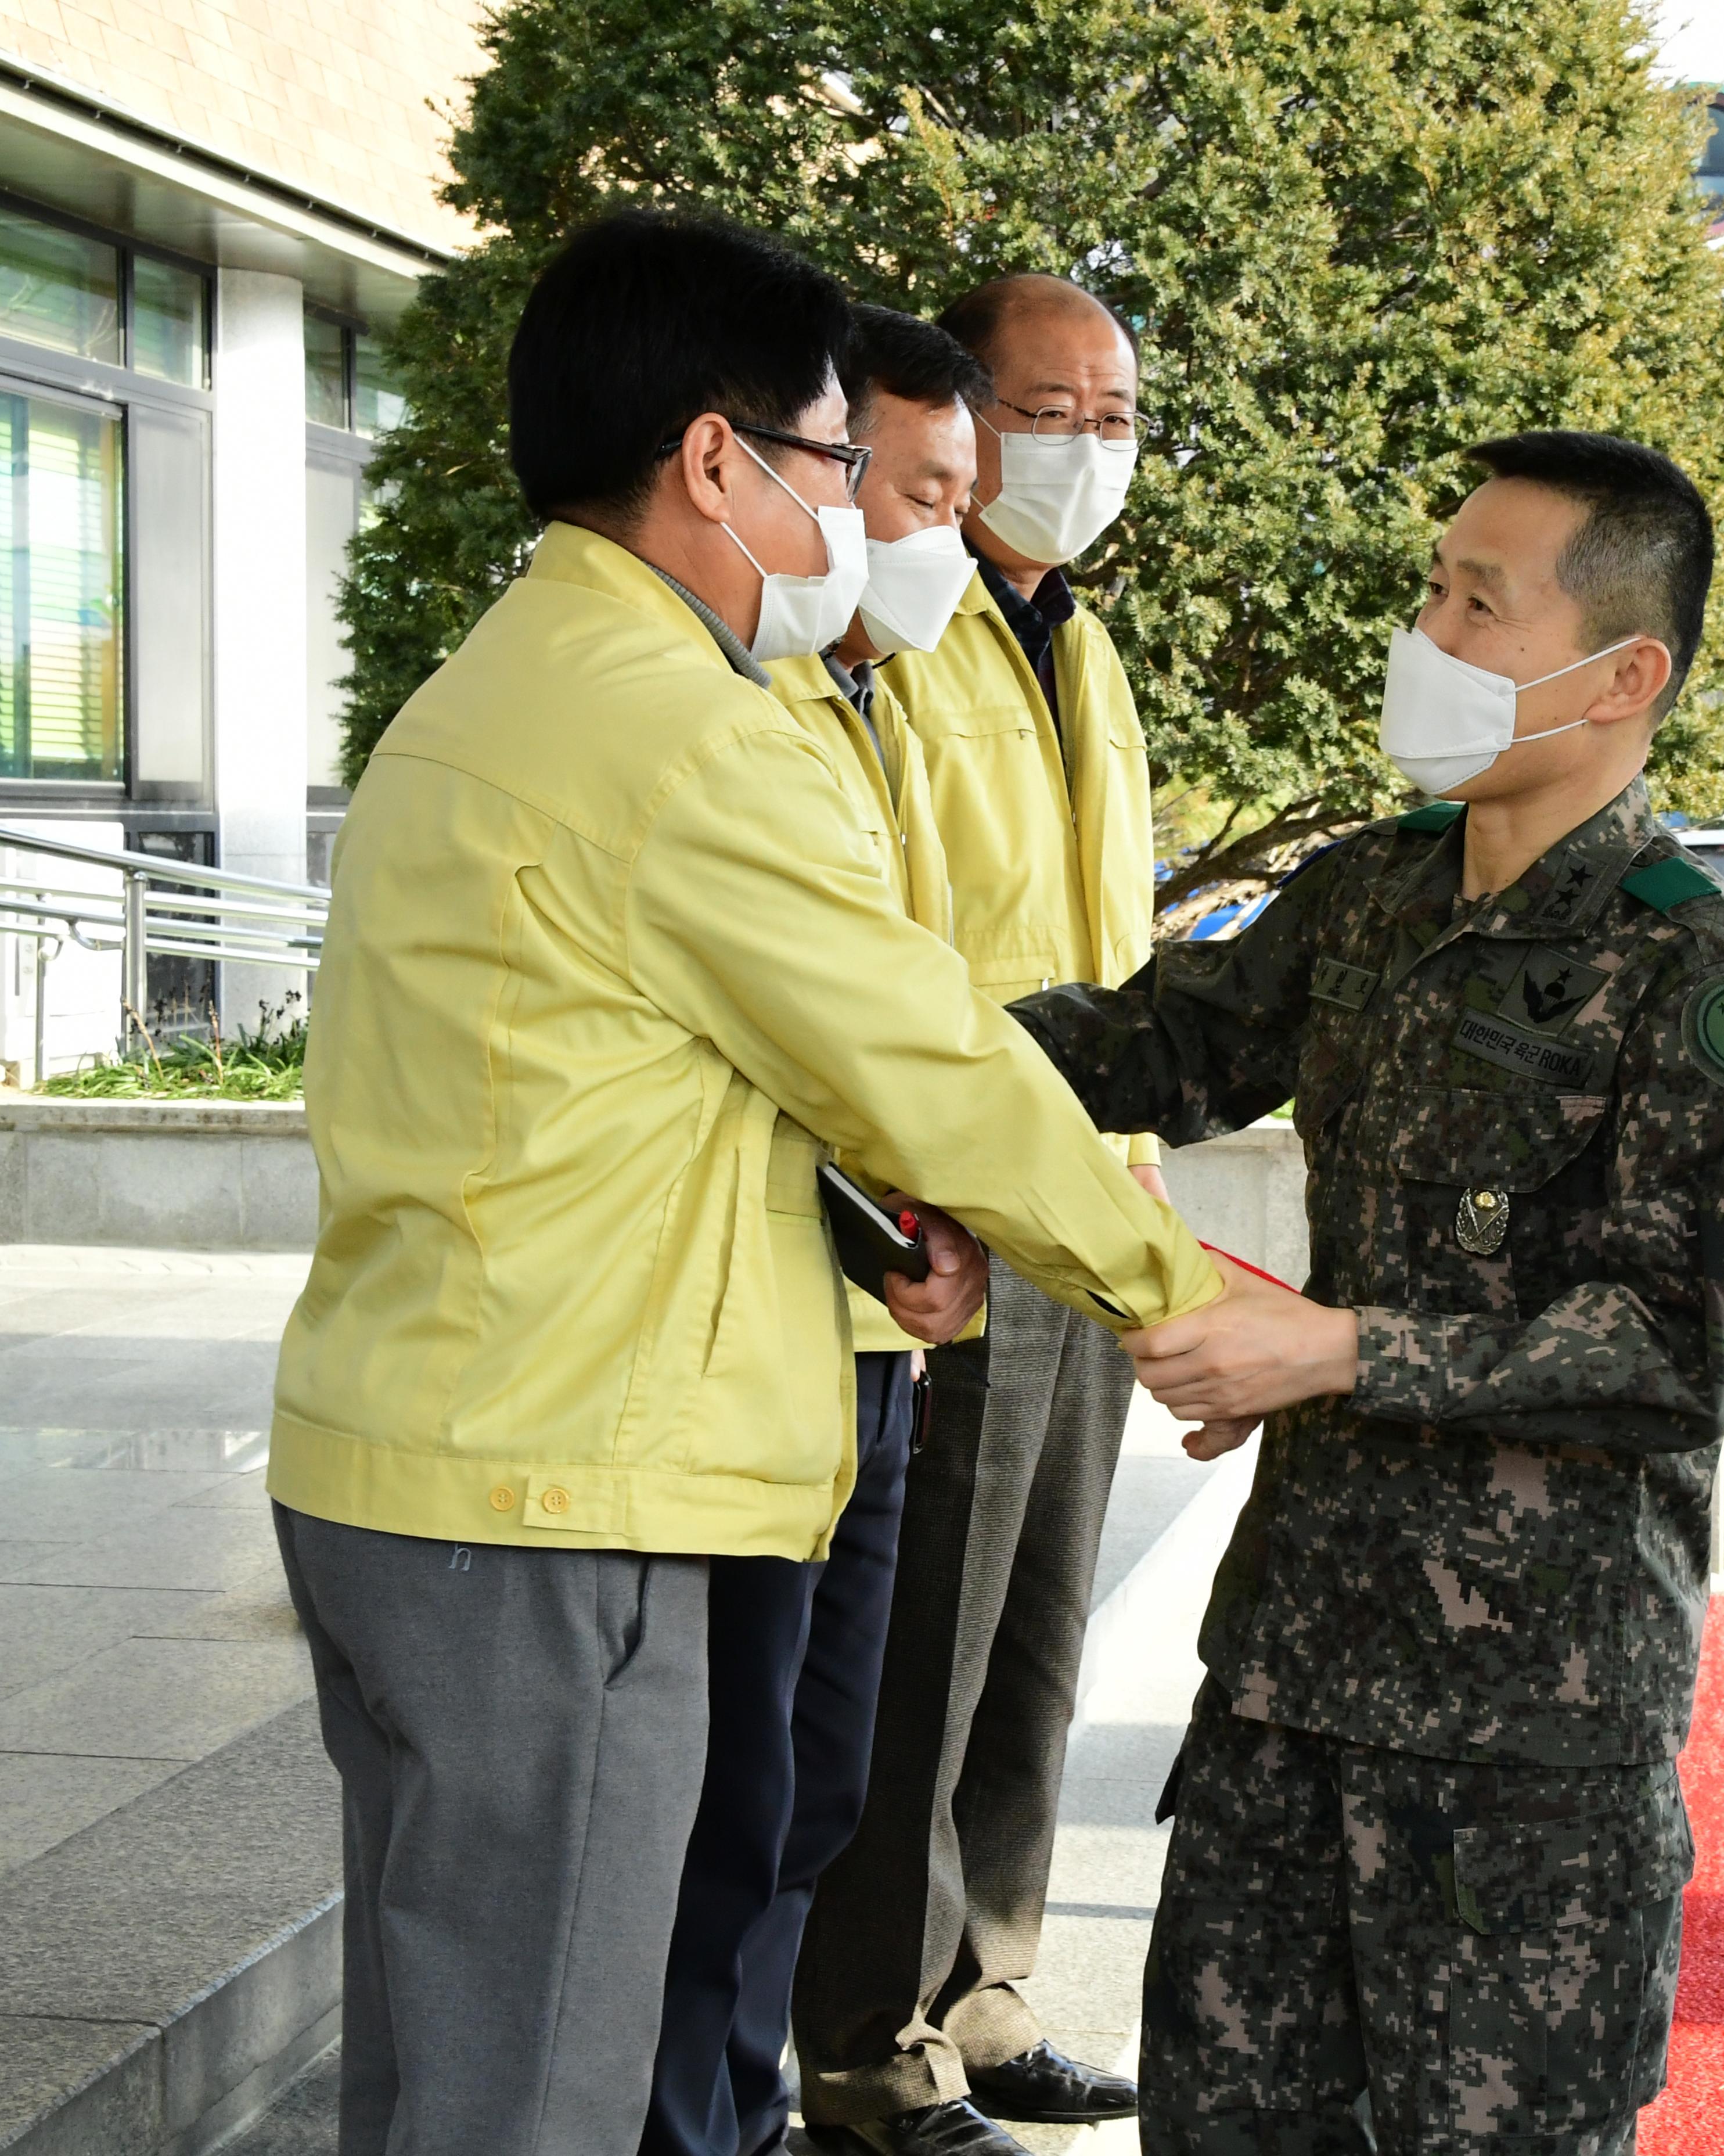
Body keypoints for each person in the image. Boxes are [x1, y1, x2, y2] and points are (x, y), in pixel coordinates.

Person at [265, 211, 1221, 2156]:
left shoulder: (512, 684)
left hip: (430, 1455)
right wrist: (1183, 1294)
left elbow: (622, 1086)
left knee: (446, 2071)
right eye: (828, 463)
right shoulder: (683, 733)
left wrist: (884, 1229)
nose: (855, 516)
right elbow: (927, 1057)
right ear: (715, 461)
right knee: (533, 2096)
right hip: (554, 1497)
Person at [1008, 431, 1724, 2154]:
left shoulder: (1697, 969)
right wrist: (874, 1048)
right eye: (1431, 590)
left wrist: (1342, 1348)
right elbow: (1161, 1045)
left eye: (1477, 602)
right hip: (1291, 1676)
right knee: (1226, 2127)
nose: (1427, 635)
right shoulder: (1373, 893)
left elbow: (1687, 1348)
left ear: (1627, 671)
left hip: (1527, 1742)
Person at [795, 272, 1169, 2156]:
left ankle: (989, 1984)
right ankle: (872, 2030)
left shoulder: (1072, 634)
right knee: (921, 1635)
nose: (1086, 446)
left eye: (1115, 411)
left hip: (1089, 1188)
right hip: (960, 1206)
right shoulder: (883, 628)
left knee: (1037, 1626)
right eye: (1049, 408)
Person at [641, 304, 989, 2156]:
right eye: (889, 482)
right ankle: (695, 2119)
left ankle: (747, 2111)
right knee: (737, 1787)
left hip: (880, 1321)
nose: (918, 525)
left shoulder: (890, 694)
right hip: (783, 1324)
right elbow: (859, 1047)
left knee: (817, 1778)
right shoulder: (723, 712)